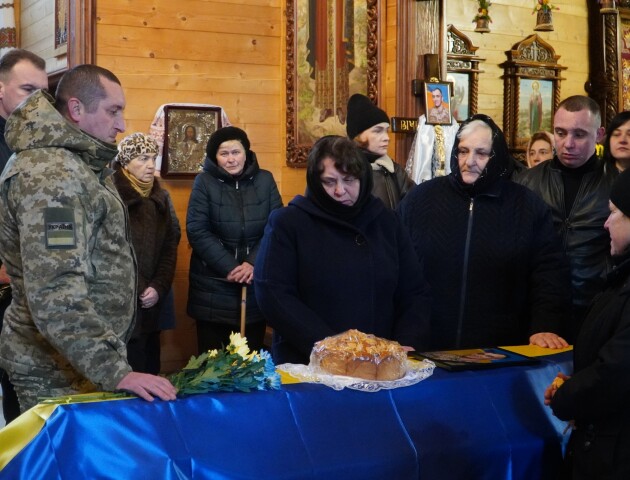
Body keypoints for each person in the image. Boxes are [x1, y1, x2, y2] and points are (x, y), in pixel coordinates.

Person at [0, 65, 177, 412]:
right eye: (114, 110)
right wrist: (116, 371)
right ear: (77, 110)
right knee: (57, 466)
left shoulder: (81, 162)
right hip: (54, 370)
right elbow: (54, 290)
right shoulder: (51, 174)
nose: (122, 124)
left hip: (79, 362)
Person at [398, 114, 571, 350]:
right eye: (463, 151)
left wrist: (544, 325)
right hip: (424, 347)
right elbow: (395, 268)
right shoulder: (420, 199)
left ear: (496, 156)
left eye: (481, 153)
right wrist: (403, 335)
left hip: (500, 349)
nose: (470, 161)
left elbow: (548, 273)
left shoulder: (526, 206)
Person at [254, 135, 431, 364]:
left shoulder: (387, 222)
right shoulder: (289, 222)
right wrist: (329, 347)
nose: (340, 191)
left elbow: (414, 291)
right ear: (315, 181)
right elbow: (273, 294)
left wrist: (407, 341)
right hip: (308, 361)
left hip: (379, 364)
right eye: (329, 182)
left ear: (363, 178)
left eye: (349, 180)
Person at [545, 168, 630, 480]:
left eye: (614, 213)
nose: (606, 223)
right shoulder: (620, 277)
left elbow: (616, 371)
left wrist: (568, 396)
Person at [515, 95, 618, 343]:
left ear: (600, 134)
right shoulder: (527, 182)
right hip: (535, 312)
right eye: (560, 133)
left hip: (595, 308)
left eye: (579, 134)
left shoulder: (617, 184)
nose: (568, 144)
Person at [186, 126, 282, 353]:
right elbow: (197, 230)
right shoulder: (204, 182)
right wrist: (230, 267)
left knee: (251, 365)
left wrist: (252, 263)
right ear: (215, 157)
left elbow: (275, 227)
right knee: (212, 368)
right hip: (213, 288)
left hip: (254, 284)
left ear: (246, 152)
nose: (231, 159)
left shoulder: (265, 180)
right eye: (224, 153)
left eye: (236, 152)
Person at [0, 48, 48, 423]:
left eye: (42, 92)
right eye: (26, 89)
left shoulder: (42, 143)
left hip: (31, 288)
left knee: (22, 383)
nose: (37, 101)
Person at [112, 133, 179, 374]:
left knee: (151, 366)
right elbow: (111, 250)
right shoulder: (111, 195)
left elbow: (170, 245)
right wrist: (139, 287)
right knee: (129, 371)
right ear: (126, 162)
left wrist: (158, 286)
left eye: (153, 158)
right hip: (121, 300)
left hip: (153, 300)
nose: (150, 165)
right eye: (142, 159)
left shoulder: (160, 197)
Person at [346, 93, 415, 209]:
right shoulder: (343, 170)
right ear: (358, 135)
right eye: (377, 131)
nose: (386, 138)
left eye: (386, 131)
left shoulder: (395, 171)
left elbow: (416, 204)